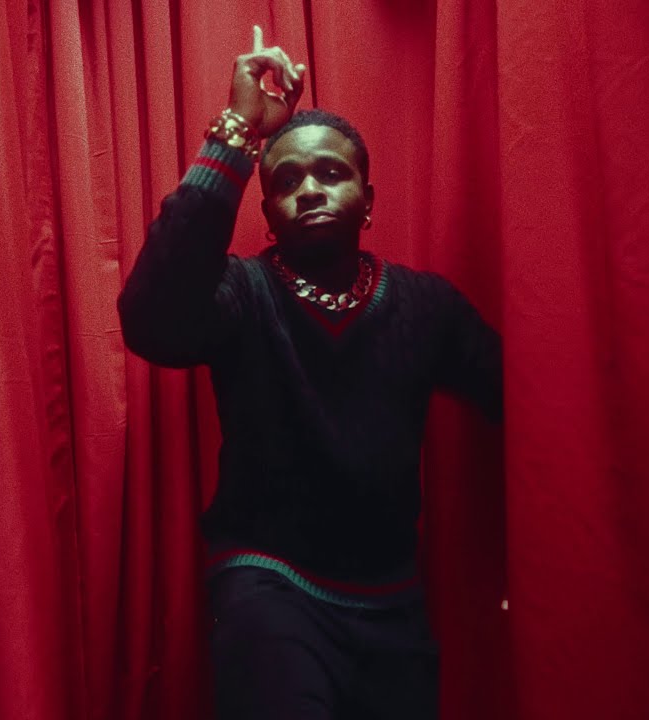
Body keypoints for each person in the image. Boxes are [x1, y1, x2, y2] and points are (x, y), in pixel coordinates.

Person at [117, 25, 503, 720]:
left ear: (368, 199)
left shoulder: (426, 305)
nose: (309, 190)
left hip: (391, 603)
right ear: (268, 213)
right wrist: (236, 134)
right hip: (268, 585)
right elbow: (151, 320)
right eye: (287, 181)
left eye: (331, 173)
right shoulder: (241, 293)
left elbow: (523, 399)